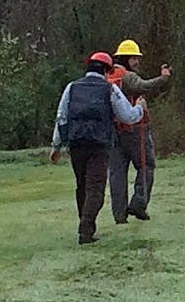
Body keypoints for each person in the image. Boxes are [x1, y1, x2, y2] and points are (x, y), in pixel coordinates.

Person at [50, 52, 147, 244]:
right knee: (96, 188)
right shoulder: (109, 89)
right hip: (99, 144)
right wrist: (140, 108)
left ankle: (85, 227)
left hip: (76, 143)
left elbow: (62, 116)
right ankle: (86, 229)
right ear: (106, 71)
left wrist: (57, 146)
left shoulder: (72, 87)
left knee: (82, 186)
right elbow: (128, 116)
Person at [107, 39, 171, 224]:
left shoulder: (107, 76)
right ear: (126, 59)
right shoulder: (127, 77)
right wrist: (164, 78)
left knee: (117, 173)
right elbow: (144, 86)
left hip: (113, 131)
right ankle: (138, 203)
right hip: (135, 130)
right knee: (146, 166)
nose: (137, 62)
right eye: (134, 58)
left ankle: (119, 216)